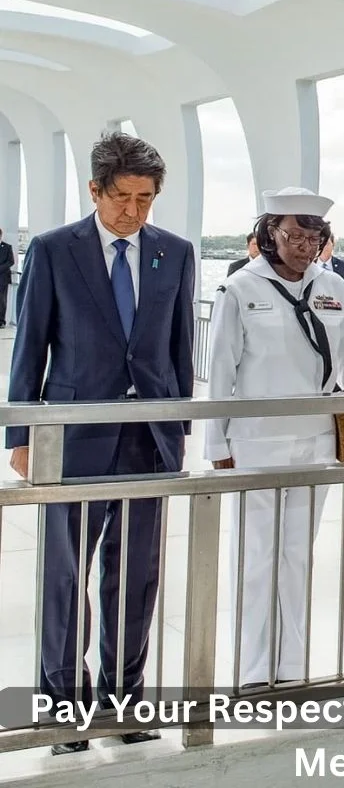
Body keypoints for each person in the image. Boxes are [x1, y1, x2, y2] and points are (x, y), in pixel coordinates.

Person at [5, 132, 195, 754]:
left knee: (135, 578)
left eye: (145, 199)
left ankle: (123, 701)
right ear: (95, 190)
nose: (134, 212)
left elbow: (176, 349)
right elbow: (30, 344)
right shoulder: (57, 251)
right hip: (74, 441)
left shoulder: (176, 252)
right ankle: (64, 713)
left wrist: (180, 427)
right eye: (122, 198)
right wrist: (22, 434)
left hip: (149, 442)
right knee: (66, 578)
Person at [204, 187, 344, 687]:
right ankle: (253, 673)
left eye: (313, 235)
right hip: (255, 444)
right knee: (257, 560)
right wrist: (217, 445)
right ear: (269, 233)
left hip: (314, 443)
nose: (304, 244)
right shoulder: (240, 289)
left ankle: (291, 671)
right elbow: (219, 373)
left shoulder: (334, 288)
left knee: (297, 559)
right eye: (293, 234)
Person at [0, 228, 14, 327]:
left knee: (1, 300)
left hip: (2, 278)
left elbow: (11, 261)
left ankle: (1, 322)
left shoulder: (7, 247)